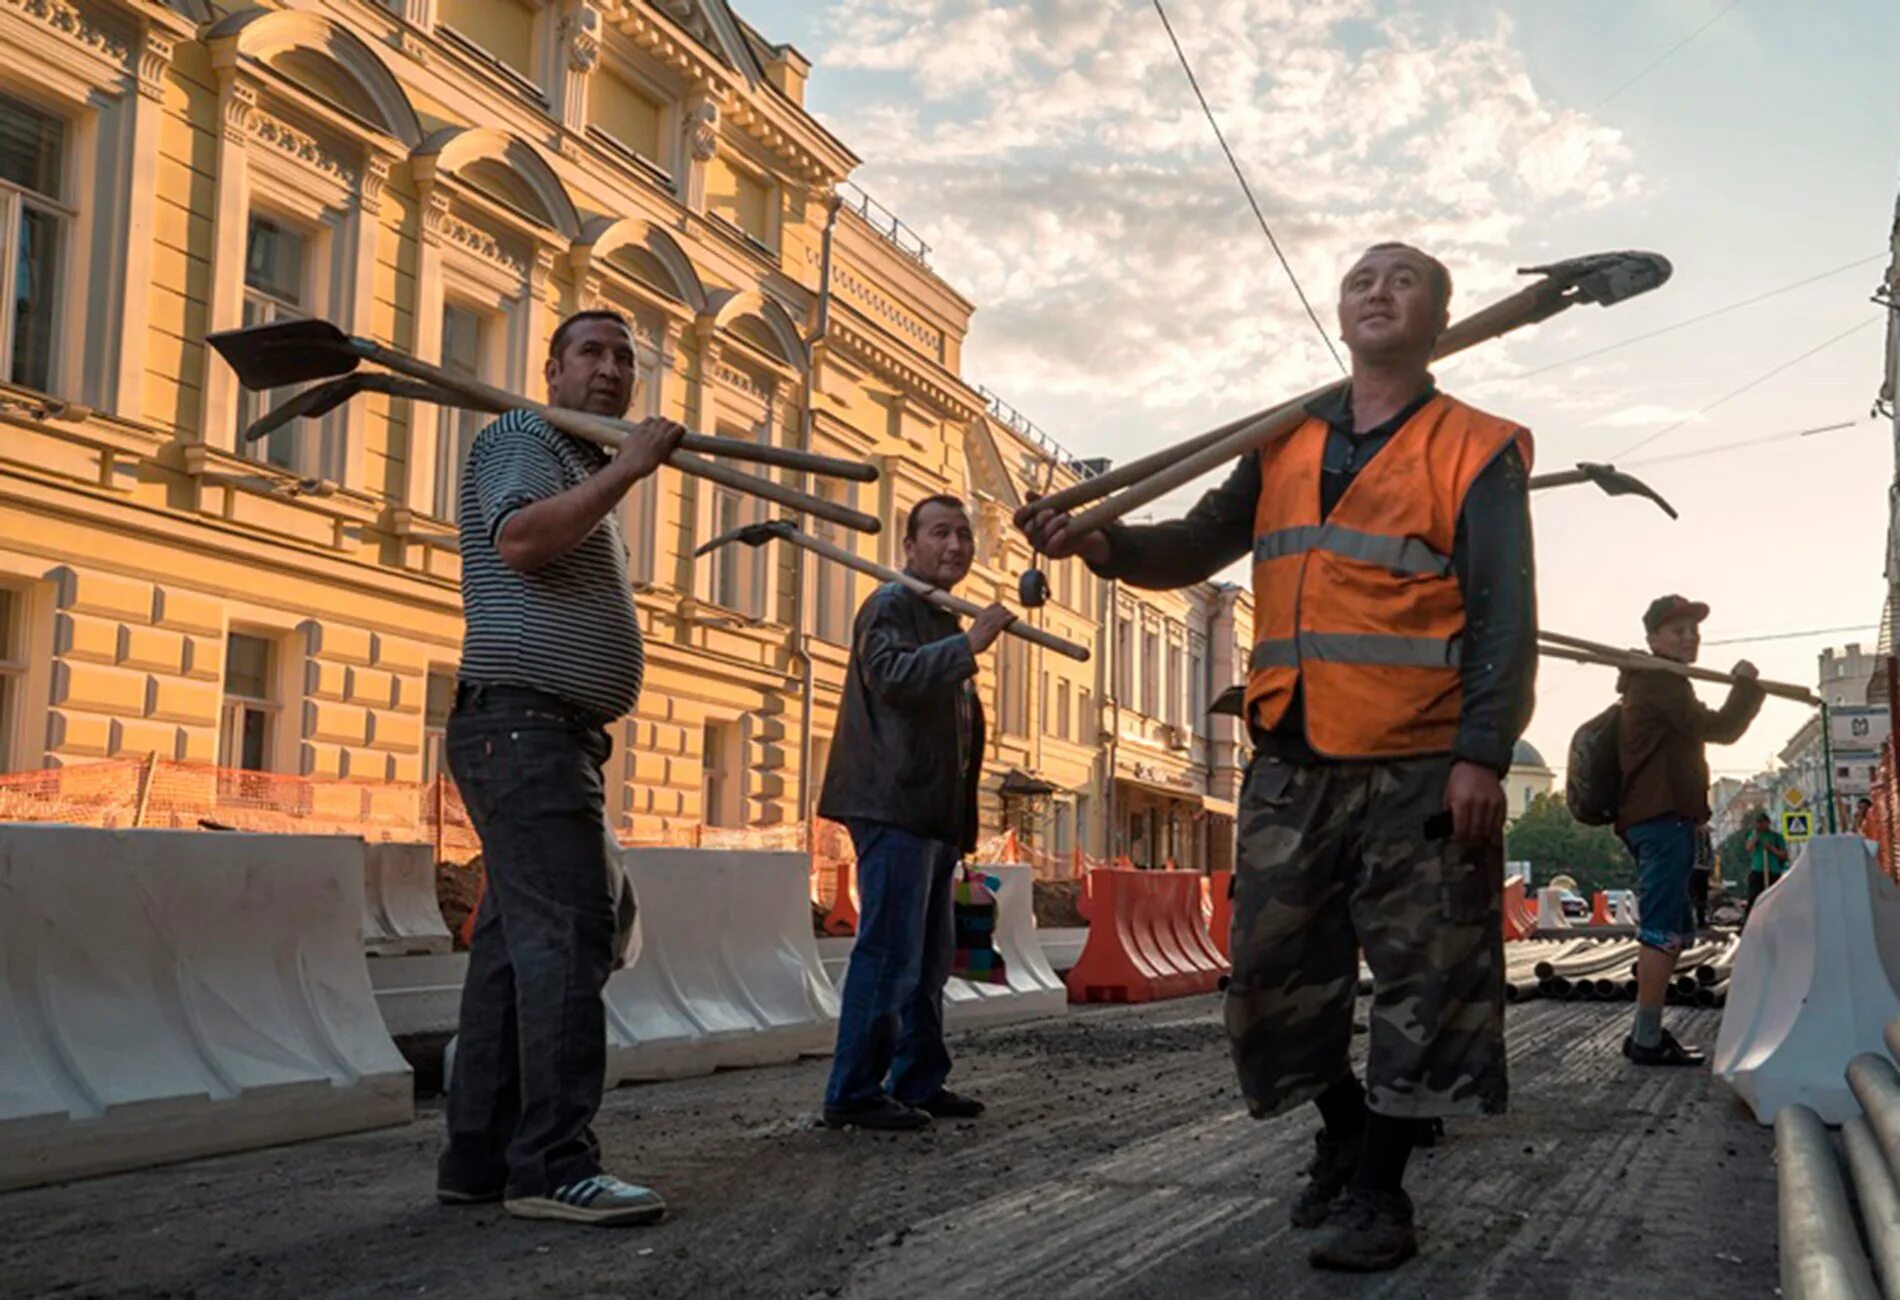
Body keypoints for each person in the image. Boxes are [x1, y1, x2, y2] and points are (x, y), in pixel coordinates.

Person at [1019, 242, 1536, 1272]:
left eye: (1402, 279)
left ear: (1438, 316)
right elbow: (1191, 548)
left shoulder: (1473, 448)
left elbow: (1503, 615)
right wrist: (1102, 544)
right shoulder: (1282, 440)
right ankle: (1341, 1125)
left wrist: (1482, 752)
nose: (1376, 290)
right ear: (1339, 315)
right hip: (1292, 755)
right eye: (1360, 279)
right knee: (1264, 979)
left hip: (1421, 759)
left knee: (1424, 980)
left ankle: (1379, 1189)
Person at [438, 310, 687, 1226]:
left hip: (543, 733)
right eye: (592, 352)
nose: (613, 369)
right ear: (551, 369)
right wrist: (628, 468)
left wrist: (614, 470)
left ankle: (480, 1156)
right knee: (571, 939)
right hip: (524, 730)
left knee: (514, 951)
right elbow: (520, 543)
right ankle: (553, 1163)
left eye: (626, 356)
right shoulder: (524, 434)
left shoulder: (578, 461)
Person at [816, 495, 1019, 1131]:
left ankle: (918, 1080)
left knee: (930, 957)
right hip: (892, 804)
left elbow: (954, 736)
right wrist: (973, 645)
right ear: (910, 545)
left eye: (963, 535)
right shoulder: (890, 605)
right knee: (889, 952)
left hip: (929, 815)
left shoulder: (939, 617)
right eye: (940, 533)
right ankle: (853, 1091)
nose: (955, 545)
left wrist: (961, 827)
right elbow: (892, 678)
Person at [1615, 595, 1762, 1067]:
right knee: (1661, 929)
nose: (1689, 636)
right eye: (1677, 629)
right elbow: (1720, 728)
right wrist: (1745, 687)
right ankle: (1646, 1039)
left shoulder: (1659, 681)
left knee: (1675, 927)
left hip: (1662, 818)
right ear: (1653, 638)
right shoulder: (1659, 682)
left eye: (1693, 629)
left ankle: (1648, 1031)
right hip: (1661, 819)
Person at [1743, 808, 1790, 918]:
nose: (1760, 825)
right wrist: (1755, 837)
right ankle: (1750, 920)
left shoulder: (1776, 837)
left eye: (1763, 823)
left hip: (1773, 870)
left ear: (1768, 823)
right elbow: (1748, 848)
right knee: (1754, 897)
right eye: (1758, 823)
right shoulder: (1753, 835)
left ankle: (1775, 918)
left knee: (1775, 897)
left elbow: (1784, 855)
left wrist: (1770, 848)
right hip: (1758, 870)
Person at [1689, 823, 1715, 930]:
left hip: (1702, 867)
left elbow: (1709, 850)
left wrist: (1711, 865)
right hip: (1692, 867)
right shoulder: (1689, 833)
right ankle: (1692, 920)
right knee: (1691, 895)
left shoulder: (1705, 835)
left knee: (1702, 896)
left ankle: (1701, 920)